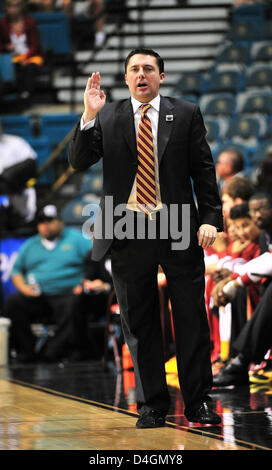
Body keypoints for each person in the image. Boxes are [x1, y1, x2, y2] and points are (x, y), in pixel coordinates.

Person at [69, 47, 223, 427]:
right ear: (125, 78)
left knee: (190, 318)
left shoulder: (184, 112)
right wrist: (89, 114)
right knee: (138, 323)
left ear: (161, 77)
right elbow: (78, 160)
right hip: (126, 229)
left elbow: (203, 171)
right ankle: (152, 404)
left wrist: (211, 219)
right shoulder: (107, 114)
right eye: (134, 69)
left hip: (178, 228)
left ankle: (199, 402)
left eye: (149, 69)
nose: (142, 75)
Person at [4, 204, 91, 363]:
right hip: (39, 295)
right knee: (13, 302)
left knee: (74, 303)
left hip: (68, 293)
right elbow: (16, 271)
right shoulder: (31, 245)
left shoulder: (76, 239)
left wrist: (85, 282)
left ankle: (53, 350)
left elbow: (94, 262)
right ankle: (26, 350)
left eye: (50, 221)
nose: (46, 225)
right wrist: (24, 288)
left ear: (60, 222)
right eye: (41, 221)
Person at [212, 192, 272, 386]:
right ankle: (231, 356)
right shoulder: (264, 235)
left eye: (261, 210)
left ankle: (241, 361)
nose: (257, 215)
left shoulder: (257, 239)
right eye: (253, 211)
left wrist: (234, 280)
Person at [0, 0, 44, 106]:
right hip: (12, 57)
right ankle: (12, 95)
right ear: (6, 8)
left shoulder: (30, 22)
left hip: (31, 55)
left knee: (30, 67)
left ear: (21, 8)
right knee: (12, 67)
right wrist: (6, 47)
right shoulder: (2, 23)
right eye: (11, 6)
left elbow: (35, 45)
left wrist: (26, 57)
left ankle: (26, 95)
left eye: (17, 6)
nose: (14, 9)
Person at [0, 120, 37, 233]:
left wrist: (7, 175)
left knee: (7, 177)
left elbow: (31, 164)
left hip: (16, 188)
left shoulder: (16, 142)